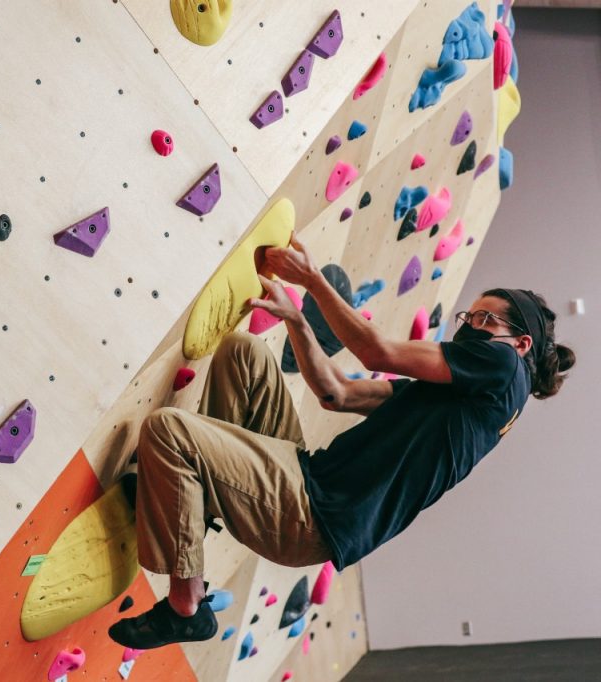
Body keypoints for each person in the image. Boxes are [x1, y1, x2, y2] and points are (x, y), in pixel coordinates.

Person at [108, 236, 575, 650]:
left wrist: (312, 281)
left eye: (484, 318)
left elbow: (378, 352)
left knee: (168, 429)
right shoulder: (458, 398)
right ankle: (184, 500)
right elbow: (339, 392)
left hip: (312, 515)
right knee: (243, 353)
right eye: (467, 316)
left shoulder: (505, 371)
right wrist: (296, 321)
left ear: (521, 343)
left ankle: (186, 607)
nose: (469, 326)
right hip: (309, 476)